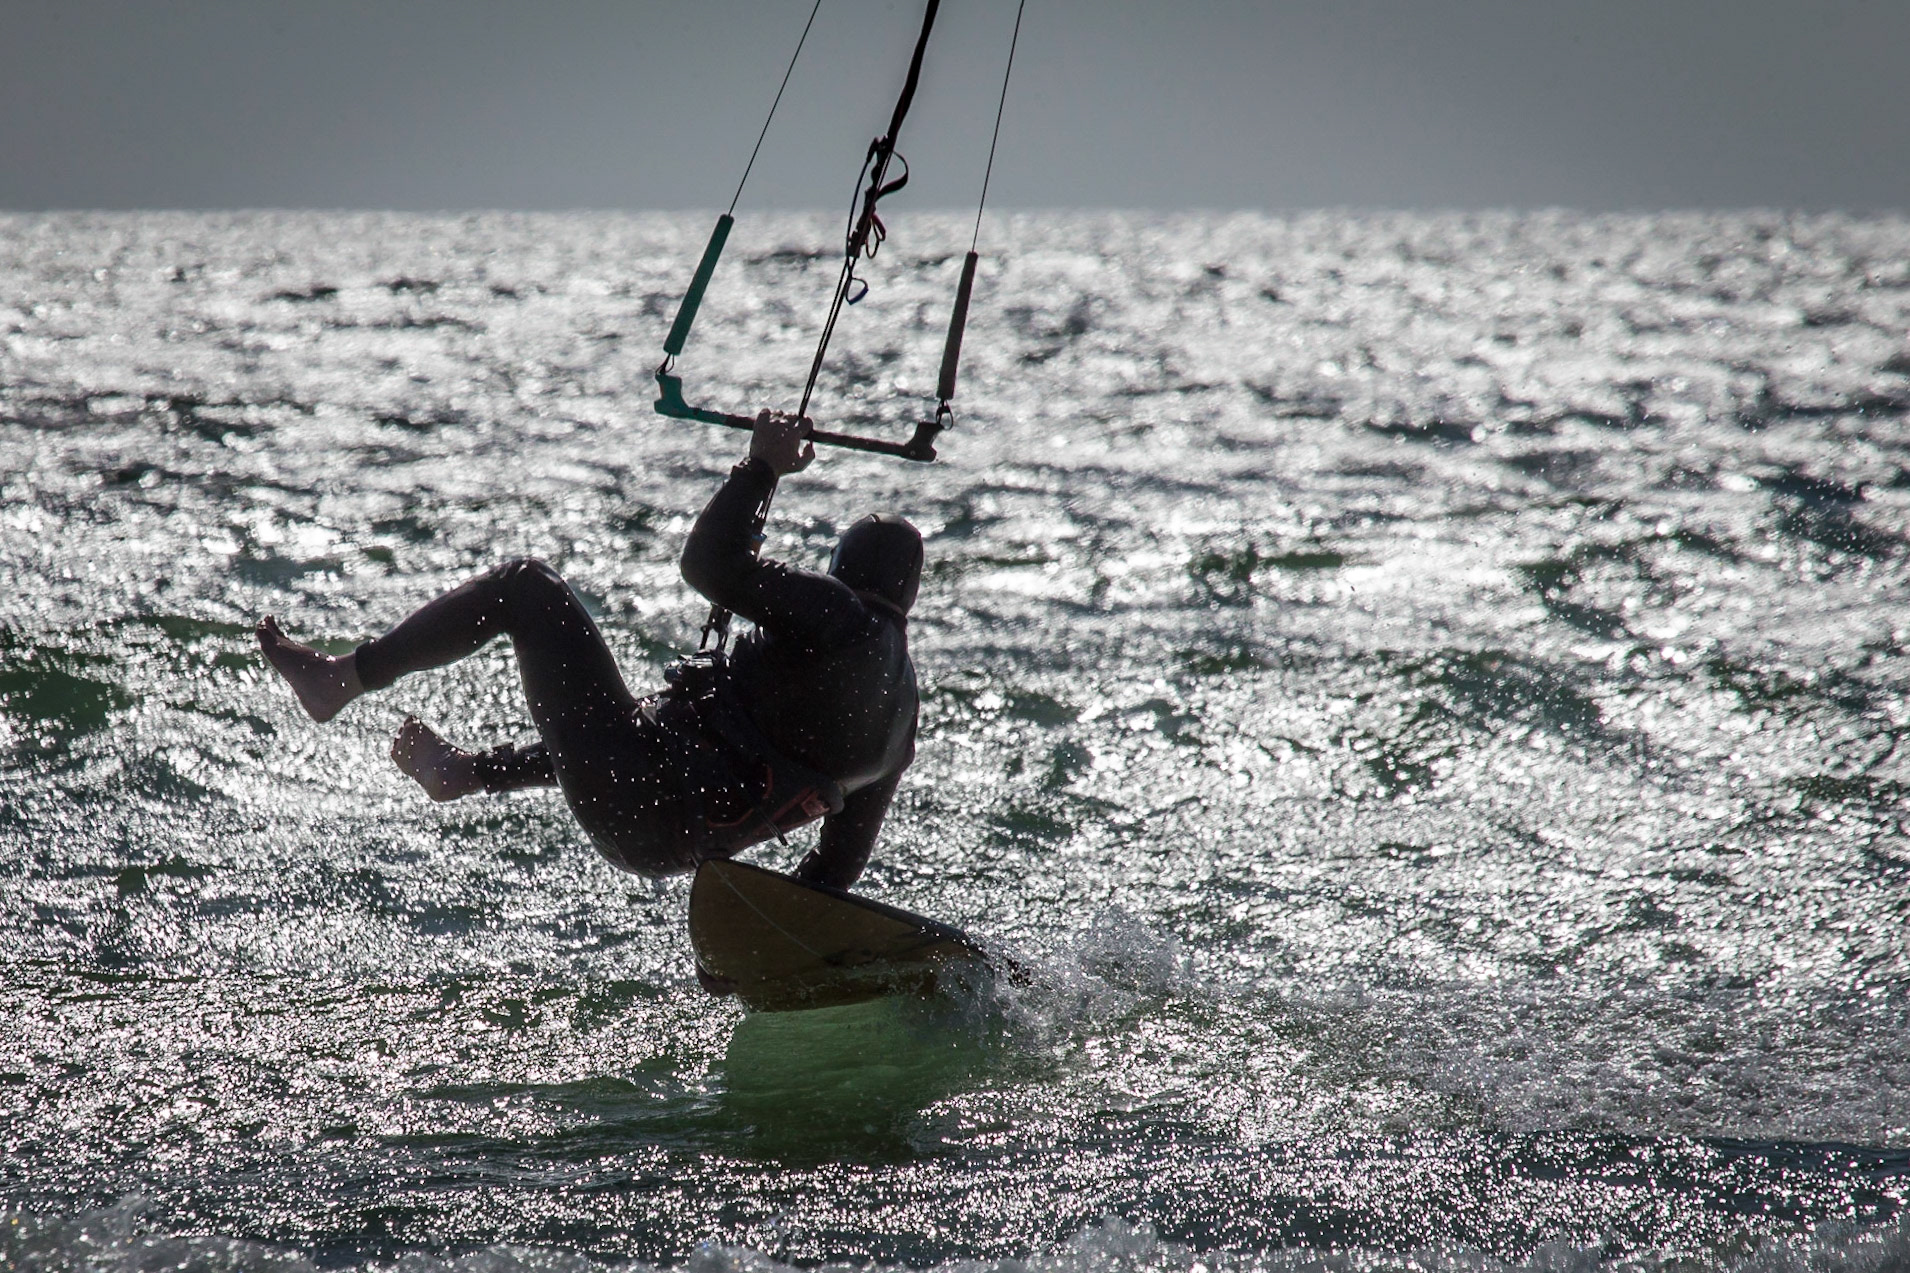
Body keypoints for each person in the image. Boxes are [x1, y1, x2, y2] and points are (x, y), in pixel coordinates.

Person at [256, 411, 920, 890]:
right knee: (639, 729)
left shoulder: (840, 616)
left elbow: (706, 563)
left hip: (636, 789)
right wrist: (767, 945)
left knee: (525, 587)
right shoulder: (902, 725)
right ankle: (466, 773)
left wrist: (761, 469)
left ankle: (343, 678)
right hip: (672, 844)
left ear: (843, 572)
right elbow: (836, 870)